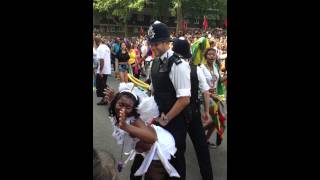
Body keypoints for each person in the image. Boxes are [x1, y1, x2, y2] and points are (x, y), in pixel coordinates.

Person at [133, 21, 191, 180]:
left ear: (167, 42)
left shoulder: (178, 64)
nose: (154, 47)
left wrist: (166, 118)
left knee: (174, 161)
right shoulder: (154, 62)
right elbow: (154, 90)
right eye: (152, 44)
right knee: (153, 158)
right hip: (158, 119)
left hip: (174, 122)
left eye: (157, 43)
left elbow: (184, 99)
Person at [109, 89, 180, 180]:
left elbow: (152, 138)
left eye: (128, 107)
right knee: (135, 172)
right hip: (144, 149)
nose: (123, 109)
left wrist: (126, 127)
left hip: (161, 146)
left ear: (133, 109)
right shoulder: (119, 115)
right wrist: (112, 100)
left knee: (153, 176)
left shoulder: (134, 120)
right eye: (120, 104)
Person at [172, 37, 214, 180]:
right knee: (201, 148)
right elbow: (205, 91)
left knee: (179, 150)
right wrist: (206, 112)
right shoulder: (197, 69)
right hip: (193, 111)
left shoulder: (171, 67)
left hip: (177, 113)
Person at [200, 48, 227, 147]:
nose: (212, 56)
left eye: (213, 54)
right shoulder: (201, 68)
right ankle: (198, 134)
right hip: (207, 97)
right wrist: (211, 95)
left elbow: (219, 81)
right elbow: (201, 86)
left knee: (219, 120)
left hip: (215, 96)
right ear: (205, 56)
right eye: (209, 54)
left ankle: (204, 140)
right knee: (216, 120)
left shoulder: (216, 67)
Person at [95, 36, 112, 105]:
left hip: (103, 70)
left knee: (100, 86)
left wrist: (101, 71)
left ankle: (106, 99)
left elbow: (102, 60)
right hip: (107, 69)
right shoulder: (106, 47)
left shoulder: (100, 48)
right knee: (103, 85)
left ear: (96, 41)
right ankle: (105, 99)